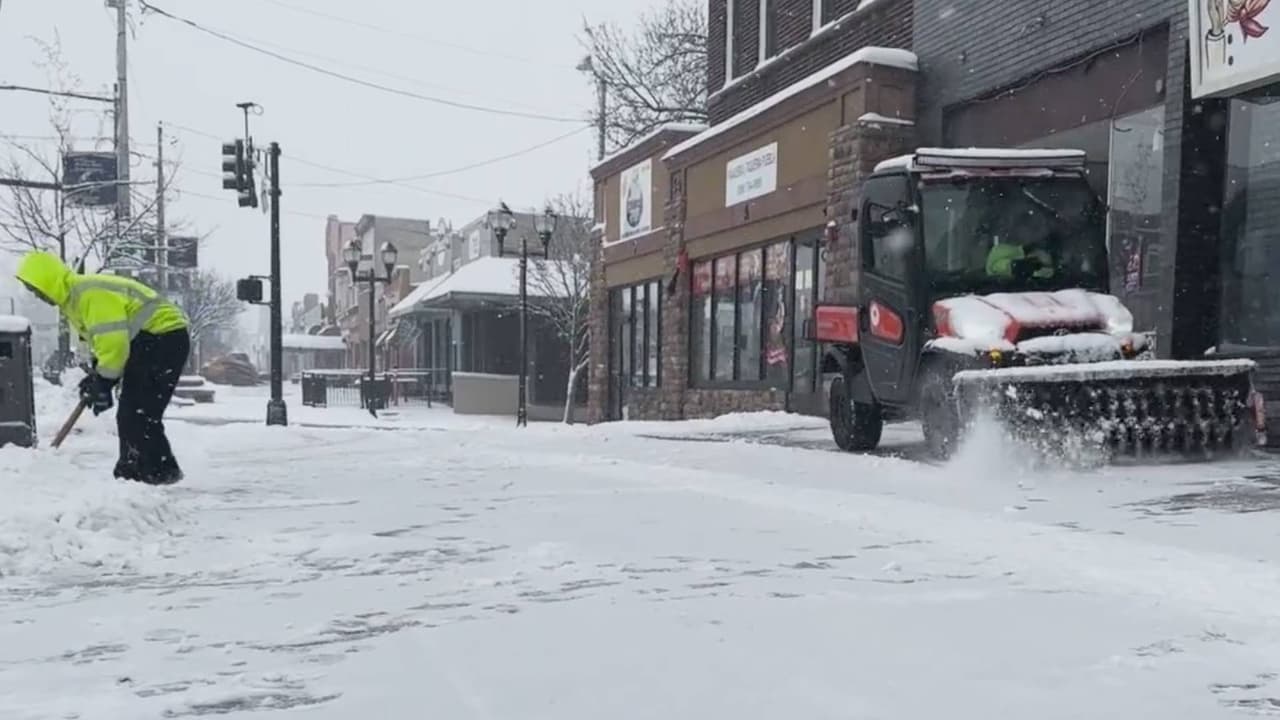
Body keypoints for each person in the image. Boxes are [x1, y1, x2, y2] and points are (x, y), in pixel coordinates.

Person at [16, 251, 190, 485]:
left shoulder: (88, 294)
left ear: (49, 280)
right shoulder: (74, 301)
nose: (38, 295)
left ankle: (153, 473)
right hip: (149, 341)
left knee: (138, 411)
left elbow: (114, 345)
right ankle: (143, 471)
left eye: (37, 289)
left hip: (162, 338)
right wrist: (99, 377)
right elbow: (102, 343)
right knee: (134, 411)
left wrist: (105, 381)